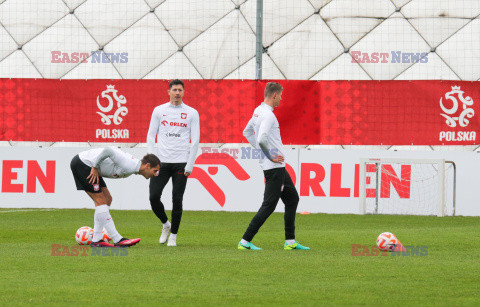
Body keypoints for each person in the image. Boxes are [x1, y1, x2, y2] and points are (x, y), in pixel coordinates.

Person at [238, 82, 310, 251]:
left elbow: (246, 132)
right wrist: (269, 154)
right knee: (269, 205)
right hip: (274, 166)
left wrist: (261, 151)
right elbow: (261, 137)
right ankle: (244, 241)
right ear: (275, 95)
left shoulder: (258, 111)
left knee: (292, 199)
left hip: (277, 166)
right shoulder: (269, 116)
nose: (282, 99)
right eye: (281, 95)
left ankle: (290, 241)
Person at [70, 146, 161, 247]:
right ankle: (117, 239)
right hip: (83, 164)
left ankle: (96, 239)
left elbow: (114, 151)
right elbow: (108, 150)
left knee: (107, 199)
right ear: (147, 166)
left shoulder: (133, 166)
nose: (156, 174)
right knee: (100, 200)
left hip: (90, 165)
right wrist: (95, 166)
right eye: (155, 171)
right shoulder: (129, 164)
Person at [147, 79, 200, 247]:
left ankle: (174, 236)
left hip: (181, 163)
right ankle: (165, 224)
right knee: (154, 197)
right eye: (174, 90)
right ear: (168, 91)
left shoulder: (192, 113)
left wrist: (190, 164)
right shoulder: (159, 110)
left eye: (180, 90)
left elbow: (195, 139)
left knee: (177, 200)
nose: (177, 93)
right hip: (161, 163)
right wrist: (153, 161)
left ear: (184, 92)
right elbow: (150, 136)